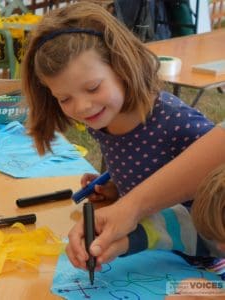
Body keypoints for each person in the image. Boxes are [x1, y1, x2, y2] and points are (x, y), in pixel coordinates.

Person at [21, 2, 224, 271]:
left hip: (204, 259)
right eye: (64, 98)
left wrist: (130, 206)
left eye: (93, 87)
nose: (82, 107)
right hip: (151, 250)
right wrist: (116, 185)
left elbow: (214, 185)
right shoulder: (102, 119)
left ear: (121, 66)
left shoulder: (176, 122)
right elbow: (149, 165)